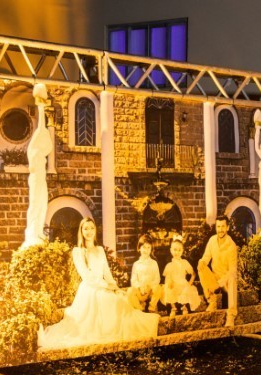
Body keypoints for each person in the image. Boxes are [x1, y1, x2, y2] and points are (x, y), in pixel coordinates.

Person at [38, 218, 160, 349]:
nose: (89, 231)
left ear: (95, 230)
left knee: (121, 301)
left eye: (92, 228)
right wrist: (106, 286)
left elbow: (106, 272)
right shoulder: (78, 251)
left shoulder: (100, 249)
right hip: (89, 290)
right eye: (86, 228)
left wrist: (115, 287)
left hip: (104, 287)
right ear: (81, 231)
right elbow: (86, 276)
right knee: (109, 304)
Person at [22, 83, 53, 248]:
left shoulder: (40, 157)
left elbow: (43, 130)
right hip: (36, 179)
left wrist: (42, 106)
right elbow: (41, 128)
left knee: (42, 205)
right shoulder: (34, 155)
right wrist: (41, 107)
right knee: (35, 205)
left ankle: (38, 232)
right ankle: (32, 233)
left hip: (41, 180)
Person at [198, 215, 239, 329]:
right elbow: (206, 257)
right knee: (201, 266)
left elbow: (232, 270)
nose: (220, 229)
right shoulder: (212, 240)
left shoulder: (231, 246)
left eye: (223, 226)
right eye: (218, 226)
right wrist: (202, 262)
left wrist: (220, 283)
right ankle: (212, 301)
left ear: (227, 227)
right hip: (214, 277)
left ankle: (231, 315)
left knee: (232, 278)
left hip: (226, 280)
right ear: (216, 227)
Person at [162, 237, 202, 316]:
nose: (177, 252)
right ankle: (173, 308)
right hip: (174, 284)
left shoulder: (184, 262)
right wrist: (169, 282)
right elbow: (167, 277)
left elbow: (193, 274)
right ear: (171, 250)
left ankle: (184, 307)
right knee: (167, 288)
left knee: (186, 289)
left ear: (182, 251)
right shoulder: (169, 265)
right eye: (175, 250)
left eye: (179, 250)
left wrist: (190, 283)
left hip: (182, 283)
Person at [126, 235, 163, 313]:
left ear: (151, 249)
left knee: (158, 288)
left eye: (148, 247)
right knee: (130, 291)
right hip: (140, 292)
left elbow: (157, 279)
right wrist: (139, 287)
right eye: (144, 247)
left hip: (150, 292)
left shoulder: (154, 263)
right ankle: (140, 308)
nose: (146, 250)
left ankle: (152, 307)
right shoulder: (136, 264)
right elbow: (133, 280)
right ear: (139, 248)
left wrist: (150, 286)